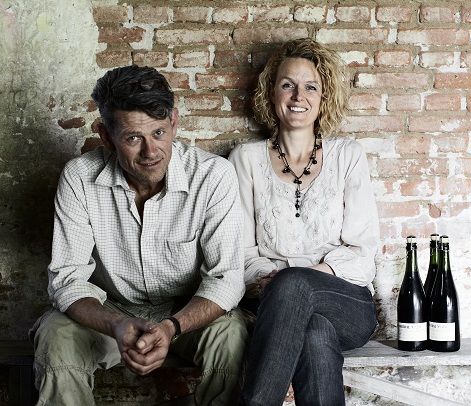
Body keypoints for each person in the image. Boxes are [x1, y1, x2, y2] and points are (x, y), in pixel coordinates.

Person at [30, 65, 247, 405]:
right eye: (133, 138)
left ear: (174, 122)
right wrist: (117, 324)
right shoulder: (79, 178)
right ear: (106, 137)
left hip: (187, 312)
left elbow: (226, 279)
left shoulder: (213, 176)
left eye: (159, 132)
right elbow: (67, 279)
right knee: (56, 336)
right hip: (109, 310)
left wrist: (171, 327)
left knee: (232, 337)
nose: (151, 152)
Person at [228, 38, 379, 405]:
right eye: (288, 84)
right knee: (314, 334)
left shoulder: (347, 155)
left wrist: (295, 276)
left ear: (324, 96)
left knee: (295, 284)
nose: (298, 96)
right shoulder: (245, 159)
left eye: (310, 86)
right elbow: (240, 254)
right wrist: (282, 282)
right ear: (271, 92)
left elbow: (362, 255)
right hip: (271, 306)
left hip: (346, 303)